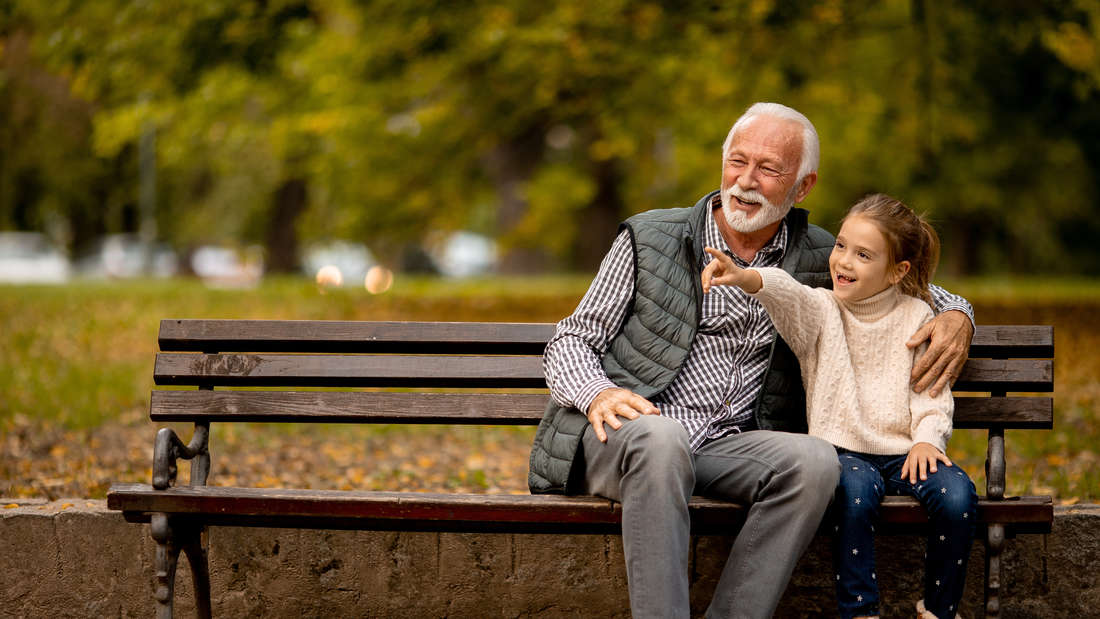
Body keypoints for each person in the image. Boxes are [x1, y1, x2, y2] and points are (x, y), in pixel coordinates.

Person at [528, 102, 975, 619]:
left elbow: (907, 282)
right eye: (737, 162)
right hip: (629, 434)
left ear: (802, 187)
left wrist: (959, 316)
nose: (746, 181)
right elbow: (571, 338)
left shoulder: (823, 256)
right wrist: (598, 393)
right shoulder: (649, 238)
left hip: (731, 448)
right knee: (663, 436)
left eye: (768, 169)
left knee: (814, 462)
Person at [700, 193, 977, 619]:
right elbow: (787, 293)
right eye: (841, 246)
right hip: (841, 453)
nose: (843, 262)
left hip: (906, 453)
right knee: (855, 496)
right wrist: (745, 277)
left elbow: (930, 389)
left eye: (863, 255)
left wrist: (928, 440)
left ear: (897, 271)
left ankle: (938, 610)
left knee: (958, 496)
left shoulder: (919, 314)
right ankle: (860, 611)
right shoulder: (822, 309)